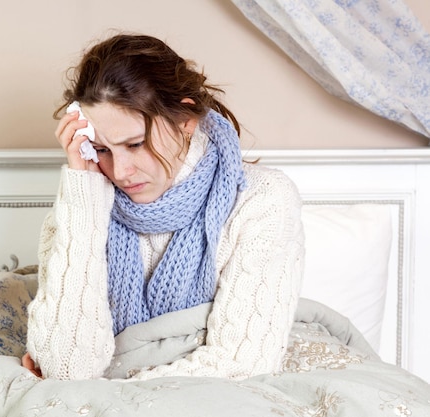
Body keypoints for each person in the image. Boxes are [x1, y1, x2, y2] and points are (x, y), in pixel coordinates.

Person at [23, 33, 304, 381]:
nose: (120, 172)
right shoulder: (85, 204)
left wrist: (117, 390)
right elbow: (66, 369)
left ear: (185, 121)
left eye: (136, 144)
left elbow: (244, 365)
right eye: (102, 150)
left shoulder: (262, 199)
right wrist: (83, 200)